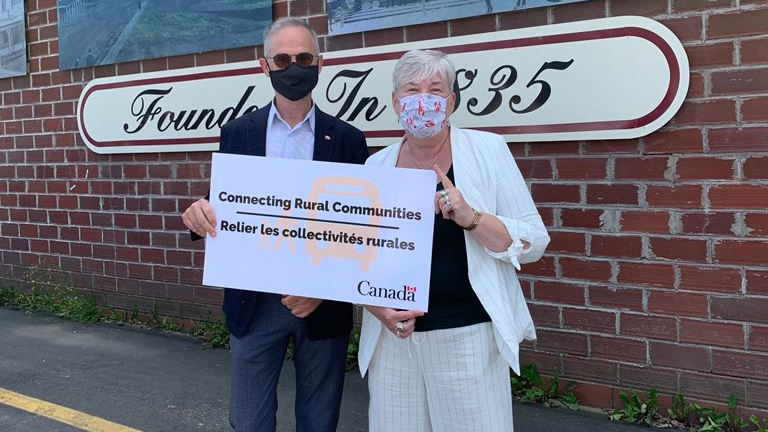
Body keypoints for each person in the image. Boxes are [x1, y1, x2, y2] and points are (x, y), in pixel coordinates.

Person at [181, 18, 369, 432]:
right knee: (248, 420)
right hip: (254, 300)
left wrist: (322, 287)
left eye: (304, 58)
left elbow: (359, 230)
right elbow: (231, 205)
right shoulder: (237, 133)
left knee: (319, 421)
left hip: (322, 304)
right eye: (282, 59)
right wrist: (200, 214)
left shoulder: (348, 140)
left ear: (321, 64)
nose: (294, 67)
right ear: (264, 66)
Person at [357, 49, 550, 432]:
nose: (422, 99)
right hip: (394, 339)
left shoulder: (487, 151)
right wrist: (375, 307)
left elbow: (534, 241)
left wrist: (471, 218)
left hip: (468, 337)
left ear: (451, 101)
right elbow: (357, 257)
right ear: (396, 103)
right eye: (411, 90)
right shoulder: (376, 167)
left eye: (435, 89)